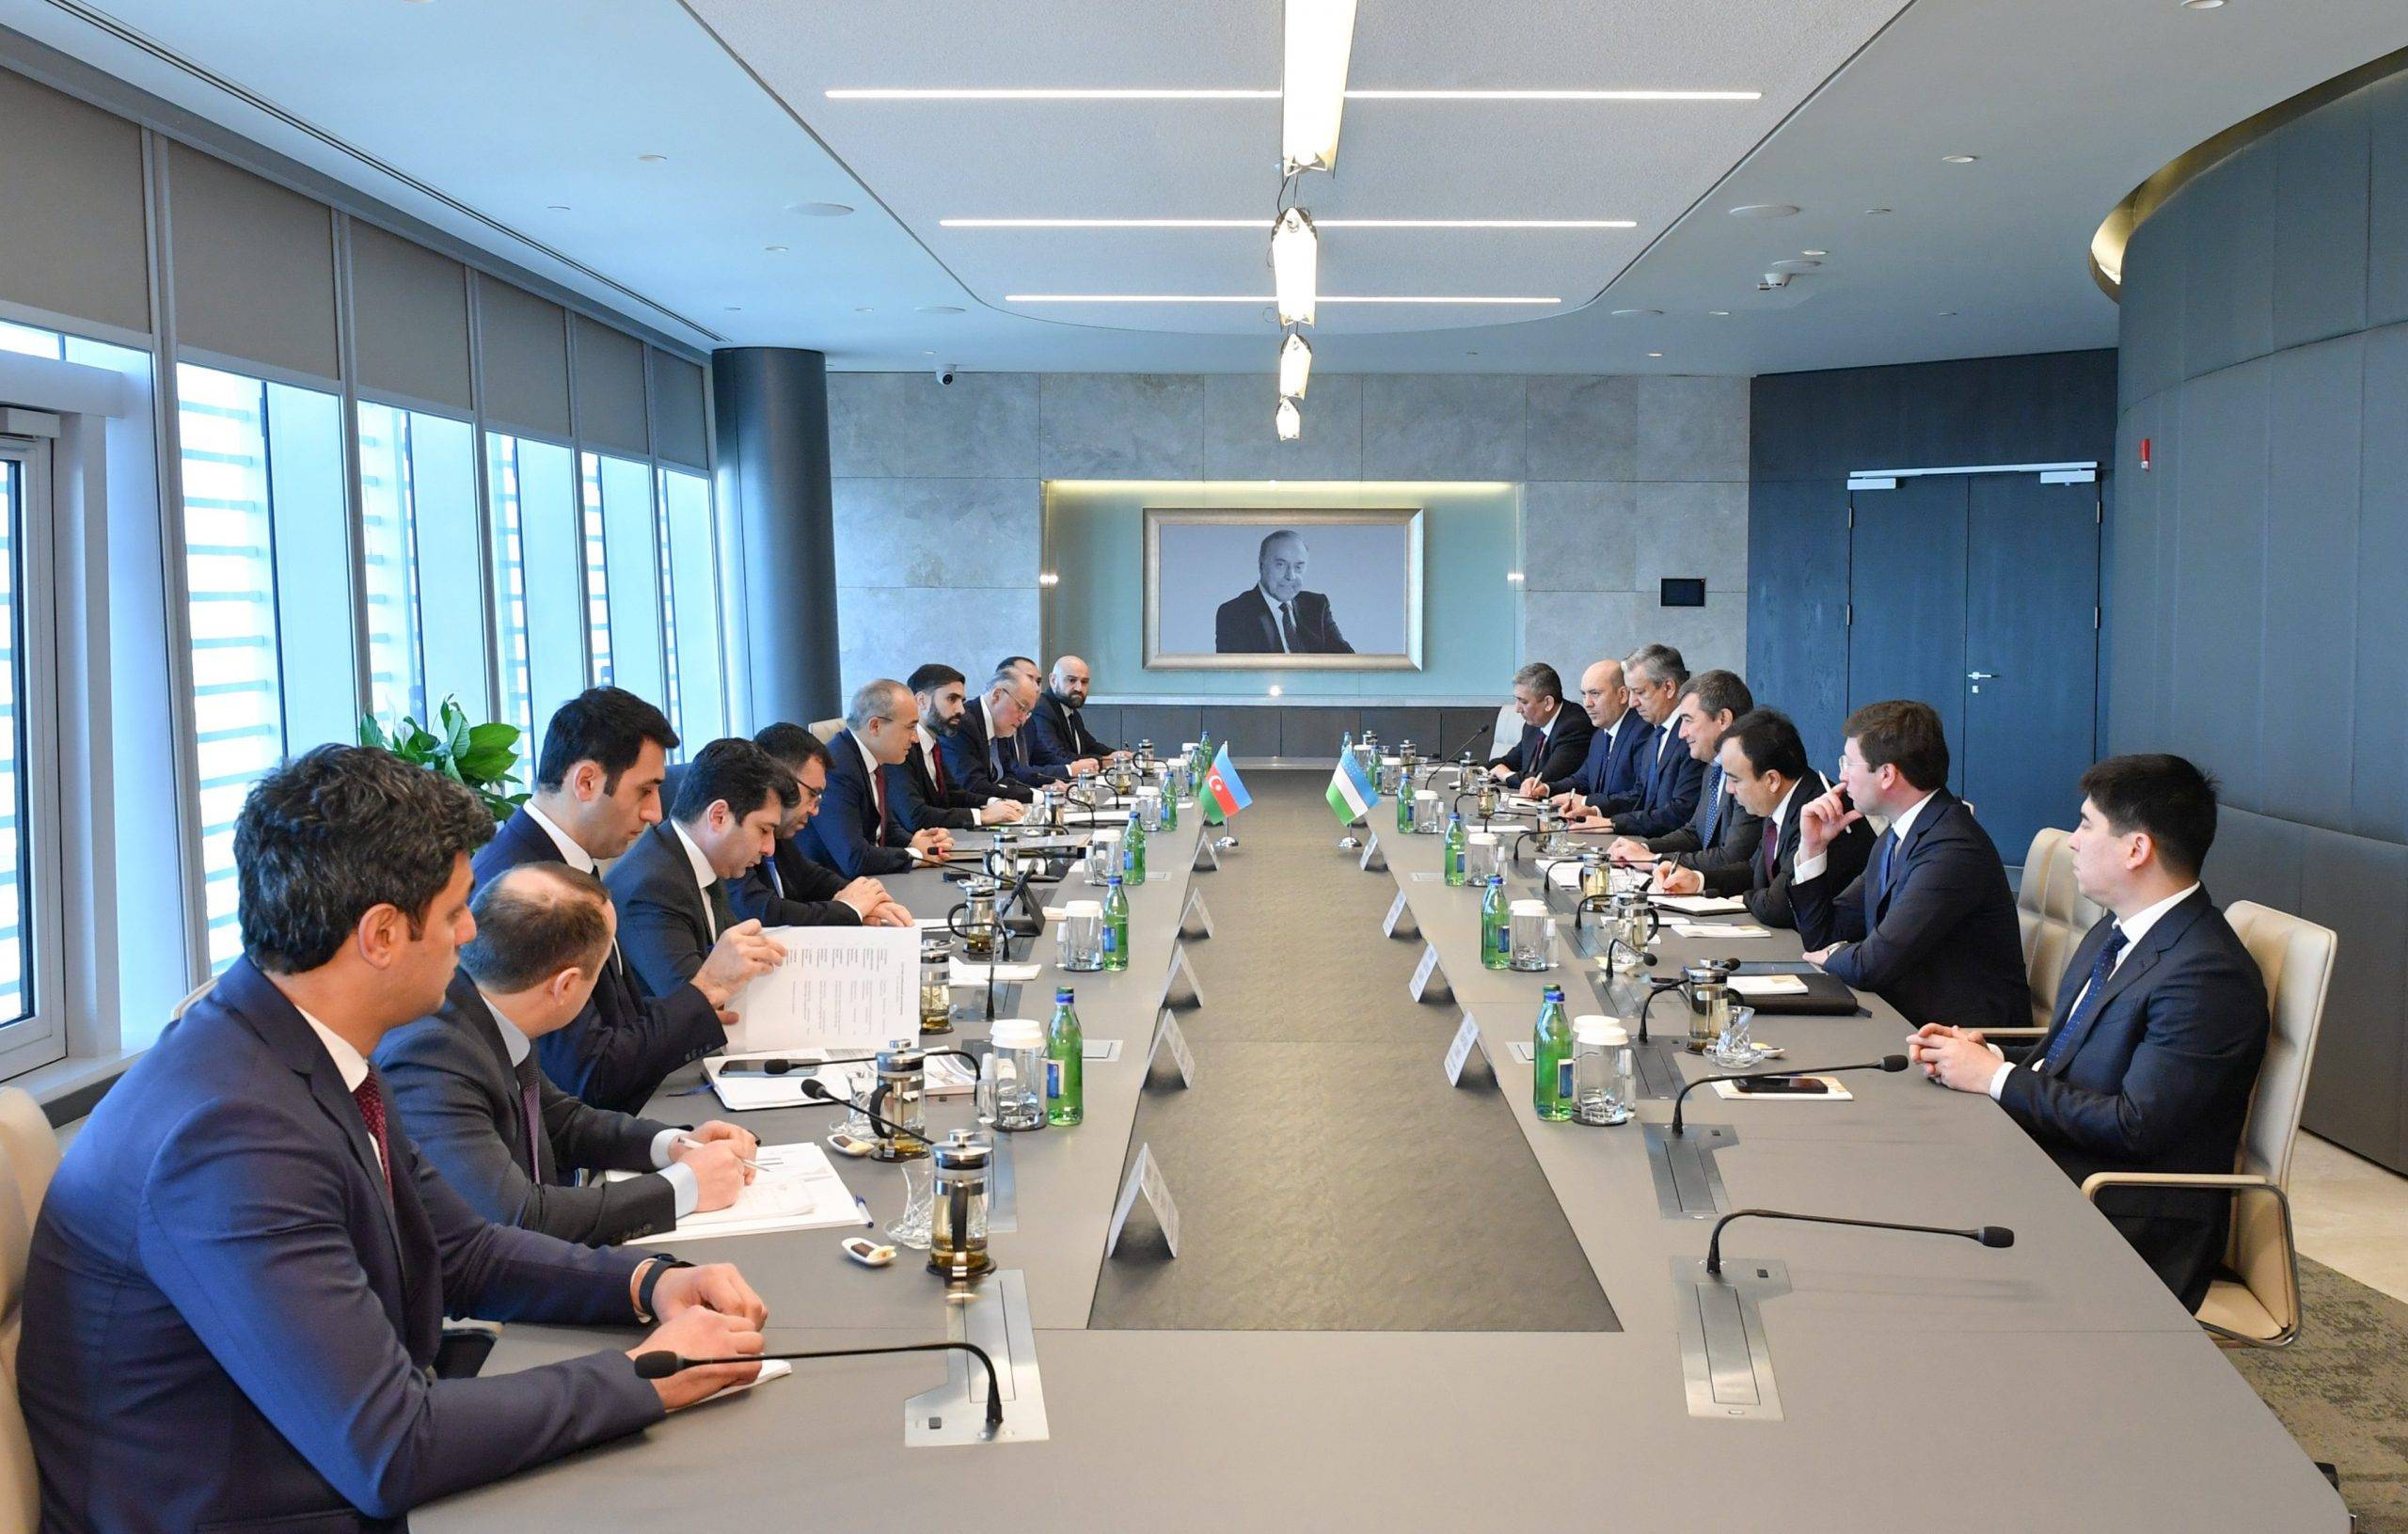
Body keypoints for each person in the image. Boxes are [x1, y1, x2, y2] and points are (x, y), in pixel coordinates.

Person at [20, 746, 767, 1532]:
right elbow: (390, 1445)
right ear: (380, 933)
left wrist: (645, 1283)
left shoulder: (302, 1048)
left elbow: (461, 1251)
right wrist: (643, 1372)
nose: (471, 931)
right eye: (453, 913)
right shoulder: (230, 1138)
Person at [1909, 755, 2267, 1307]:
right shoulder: (2115, 933)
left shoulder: (2207, 974)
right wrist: (1986, 1055)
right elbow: (2070, 1055)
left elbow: (2134, 1126)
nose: (2073, 841)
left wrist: (1996, 1079)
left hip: (2129, 1213)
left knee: (1920, 1207)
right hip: (2063, 1164)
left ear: (2136, 849)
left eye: (2085, 824)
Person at [378, 862, 760, 1245]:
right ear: (566, 986)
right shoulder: (431, 1057)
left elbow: (561, 1122)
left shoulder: (495, 1004)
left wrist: (674, 1145)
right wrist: (682, 1188)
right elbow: (520, 1217)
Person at [472, 687, 780, 1113]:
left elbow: (614, 1016)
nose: (655, 812)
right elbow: (590, 1074)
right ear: (586, 782)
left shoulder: (564, 861)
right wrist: (705, 988)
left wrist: (699, 1006)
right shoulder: (521, 886)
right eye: (644, 791)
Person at [1790, 699, 2030, 1031]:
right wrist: (1813, 847)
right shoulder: (1895, 837)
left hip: (1964, 1038)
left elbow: (1872, 965)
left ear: (1887, 774)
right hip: (1907, 1020)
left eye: (1848, 763)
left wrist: (1833, 956)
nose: (1841, 776)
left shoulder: (1952, 847)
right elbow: (1824, 935)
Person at [609, 738, 796, 1002]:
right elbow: (693, 1006)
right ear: (718, 816)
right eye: (763, 830)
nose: (769, 849)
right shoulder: (652, 887)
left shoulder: (699, 861)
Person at [1651, 708, 1870, 928]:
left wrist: (1744, 899)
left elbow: (1779, 907)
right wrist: (1697, 879)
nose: (1729, 790)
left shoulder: (1821, 814)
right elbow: (1754, 870)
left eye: (1736, 780)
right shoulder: (1781, 800)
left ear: (1772, 780)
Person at [732, 724, 912, 927]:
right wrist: (848, 909)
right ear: (781, 783)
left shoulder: (779, 834)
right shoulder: (735, 837)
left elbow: (812, 878)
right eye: (812, 794)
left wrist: (863, 898)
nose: (815, 810)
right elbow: (764, 912)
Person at [798, 678, 956, 877]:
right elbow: (855, 858)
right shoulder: (837, 769)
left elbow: (885, 829)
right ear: (875, 726)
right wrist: (916, 854)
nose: (915, 738)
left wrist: (916, 842)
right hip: (837, 887)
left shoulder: (876, 758)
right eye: (910, 727)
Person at [1608, 669, 1760, 867]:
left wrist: (1655, 861)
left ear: (1723, 719)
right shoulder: (1713, 768)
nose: (1681, 733)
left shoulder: (1752, 773)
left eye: (1688, 720)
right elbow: (1694, 833)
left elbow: (1732, 857)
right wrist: (1643, 849)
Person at [1570, 642, 1703, 836]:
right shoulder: (1656, 733)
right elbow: (1639, 795)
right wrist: (1597, 812)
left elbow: (1681, 812)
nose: (1632, 702)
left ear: (1668, 688)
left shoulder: (1691, 737)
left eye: (1639, 692)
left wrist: (1613, 824)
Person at [904, 663, 1027, 830]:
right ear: (922, 701)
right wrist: (982, 816)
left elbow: (954, 794)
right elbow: (915, 816)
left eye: (962, 701)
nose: (961, 710)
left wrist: (996, 803)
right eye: (951, 699)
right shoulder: (902, 749)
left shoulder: (934, 744)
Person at [1212, 529, 1354, 653]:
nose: (1290, 576)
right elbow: (1236, 673)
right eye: (1280, 565)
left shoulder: (1317, 605)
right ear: (1261, 565)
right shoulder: (1235, 613)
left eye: (1298, 567)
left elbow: (1347, 662)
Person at [1532, 658, 1649, 806]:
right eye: (1584, 694)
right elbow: (1583, 779)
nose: (1587, 703)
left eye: (1595, 694)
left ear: (1623, 695)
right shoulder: (1600, 735)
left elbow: (1639, 796)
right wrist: (1547, 788)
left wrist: (1585, 801)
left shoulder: (1643, 732)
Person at [940, 667, 1053, 803]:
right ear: (997, 695)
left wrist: (1043, 790)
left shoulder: (1000, 725)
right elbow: (973, 785)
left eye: (1027, 712)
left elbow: (1009, 776)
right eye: (1021, 708)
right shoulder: (962, 724)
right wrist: (1039, 796)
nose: (1023, 719)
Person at [1484, 662, 1595, 785]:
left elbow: (1545, 779)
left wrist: (1505, 775)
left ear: (1548, 703)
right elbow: (1510, 761)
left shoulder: (1575, 726)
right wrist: (1479, 771)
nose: (1517, 709)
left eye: (1524, 702)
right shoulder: (1533, 725)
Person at [1025, 655, 1111, 777]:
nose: (1079, 688)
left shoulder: (1071, 711)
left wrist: (1118, 755)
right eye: (1071, 680)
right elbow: (1055, 755)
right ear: (1053, 680)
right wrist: (1103, 761)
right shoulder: (1042, 709)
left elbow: (1090, 745)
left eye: (1084, 682)